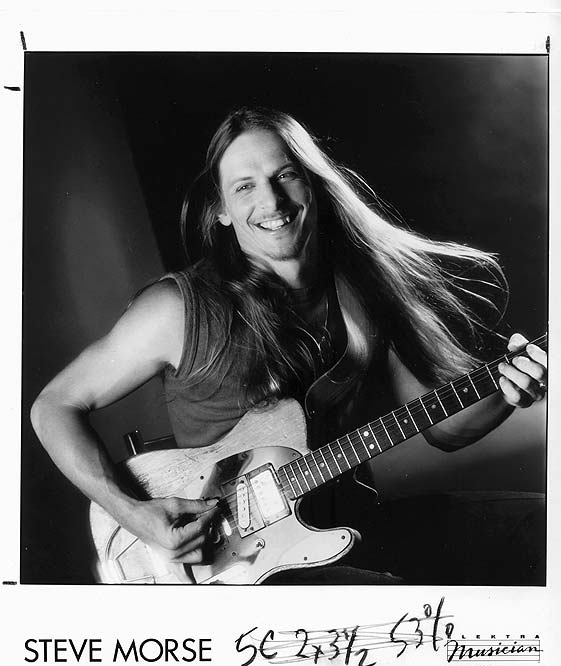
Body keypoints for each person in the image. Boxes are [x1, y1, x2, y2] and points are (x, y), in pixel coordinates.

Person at [30, 106, 547, 585]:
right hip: (239, 570)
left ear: (313, 184)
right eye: (245, 186)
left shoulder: (362, 292)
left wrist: (509, 389)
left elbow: (443, 430)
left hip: (344, 525)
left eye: (285, 175)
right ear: (222, 210)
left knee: (540, 522)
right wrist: (134, 514)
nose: (272, 202)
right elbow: (53, 405)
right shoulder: (178, 308)